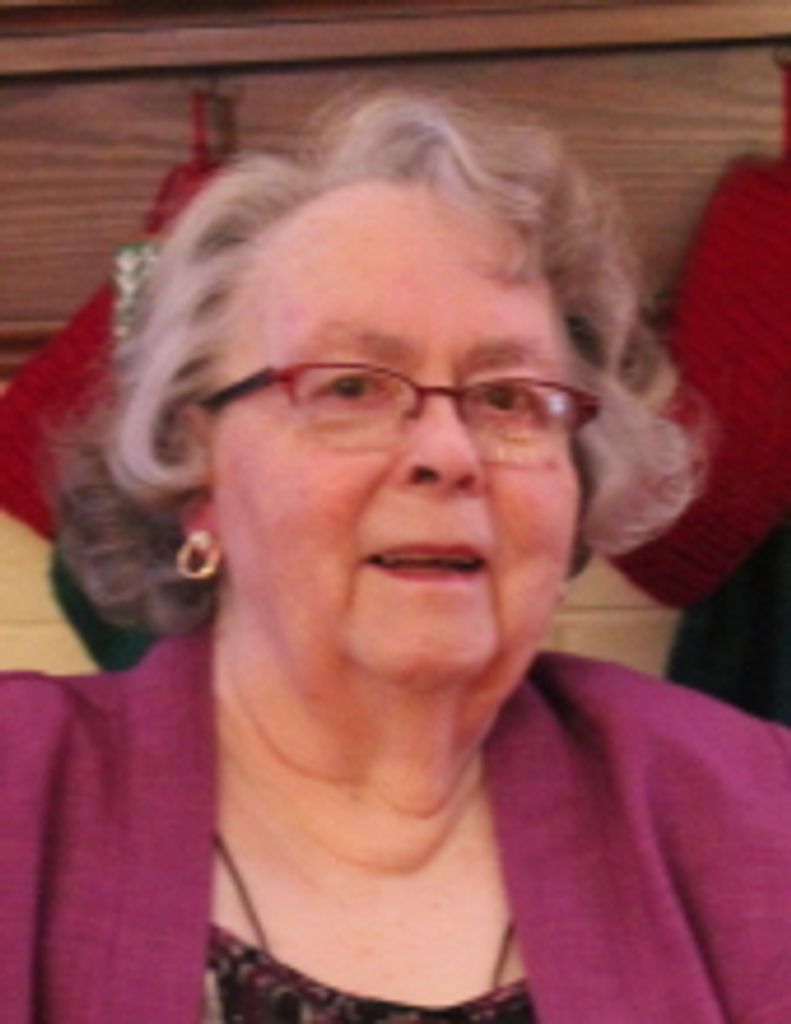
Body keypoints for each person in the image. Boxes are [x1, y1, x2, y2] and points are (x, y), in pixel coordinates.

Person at [3, 89, 791, 1024]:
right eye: (349, 387)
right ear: (195, 474)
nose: (448, 453)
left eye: (508, 398)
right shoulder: (20, 788)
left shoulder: (755, 812)